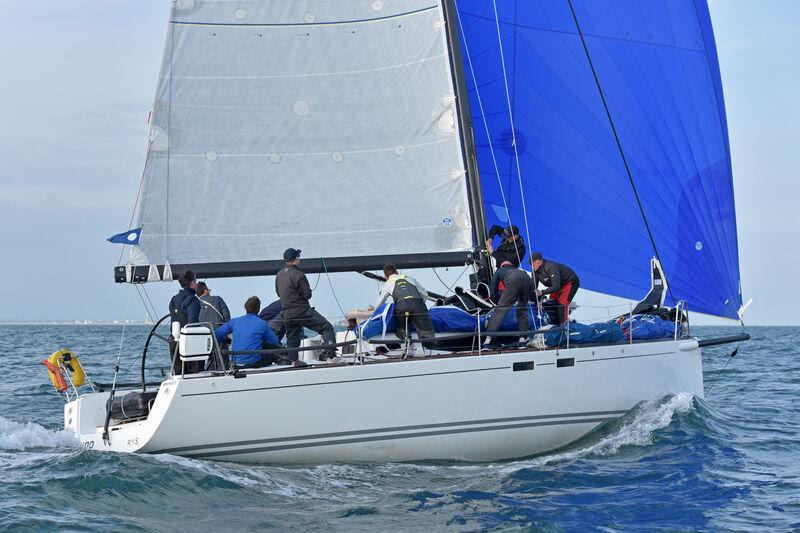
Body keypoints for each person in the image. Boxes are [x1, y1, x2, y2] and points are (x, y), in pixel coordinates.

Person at [275, 248, 336, 361]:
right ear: (295, 258)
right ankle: (331, 356)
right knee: (327, 328)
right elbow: (308, 295)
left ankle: (292, 362)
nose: (299, 258)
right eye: (298, 256)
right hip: (301, 310)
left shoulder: (279, 274)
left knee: (292, 339)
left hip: (287, 314)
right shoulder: (299, 274)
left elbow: (279, 293)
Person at [375, 263, 435, 349]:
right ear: (397, 272)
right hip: (417, 303)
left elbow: (380, 302)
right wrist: (421, 304)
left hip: (402, 306)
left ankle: (407, 342)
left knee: (402, 328)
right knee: (426, 331)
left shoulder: (388, 283)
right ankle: (428, 349)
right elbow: (424, 293)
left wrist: (375, 314)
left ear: (385, 276)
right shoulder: (409, 278)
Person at [215, 296, 281, 369]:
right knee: (273, 354)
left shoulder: (235, 321)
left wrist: (227, 341)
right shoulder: (262, 323)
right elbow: (274, 341)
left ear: (245, 308)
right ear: (258, 309)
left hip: (236, 363)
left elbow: (217, 334)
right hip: (253, 363)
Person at [486, 261, 533, 344]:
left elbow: (493, 290)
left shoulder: (499, 271)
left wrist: (495, 302)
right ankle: (522, 339)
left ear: (502, 266)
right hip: (528, 281)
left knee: (501, 310)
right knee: (522, 310)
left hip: (512, 281)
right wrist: (536, 300)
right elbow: (531, 289)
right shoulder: (520, 270)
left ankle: (488, 339)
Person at [530, 252, 580, 325]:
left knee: (561, 304)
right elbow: (533, 287)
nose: (531, 266)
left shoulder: (550, 267)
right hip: (557, 284)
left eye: (532, 263)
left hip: (570, 282)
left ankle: (564, 326)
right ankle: (554, 324)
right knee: (551, 303)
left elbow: (556, 287)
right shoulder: (535, 271)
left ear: (538, 261)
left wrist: (542, 292)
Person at [168, 270, 201, 374]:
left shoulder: (173, 299)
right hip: (189, 342)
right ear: (192, 283)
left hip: (174, 341)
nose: (196, 283)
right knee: (194, 374)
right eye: (195, 281)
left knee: (178, 373)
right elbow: (192, 324)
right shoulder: (193, 300)